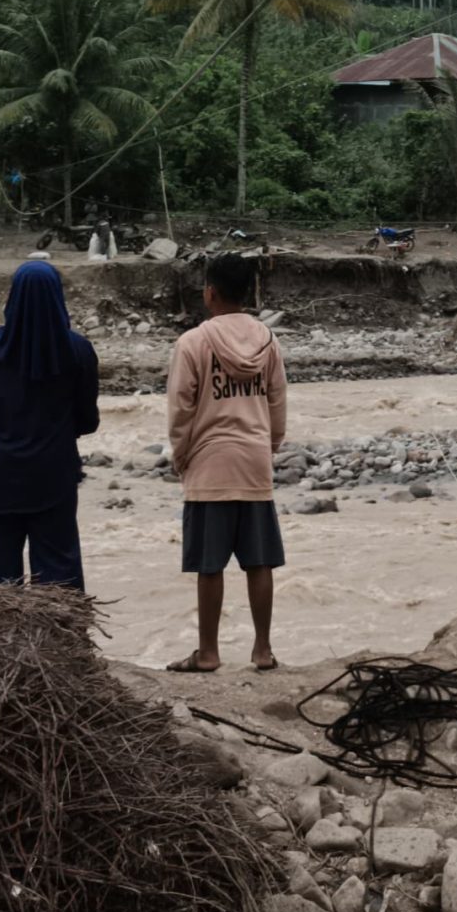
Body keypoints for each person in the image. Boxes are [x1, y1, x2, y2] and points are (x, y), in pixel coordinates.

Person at [166, 254, 290, 674]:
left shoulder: (193, 343)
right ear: (250, 293)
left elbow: (180, 409)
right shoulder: (267, 340)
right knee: (260, 561)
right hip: (254, 461)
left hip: (208, 462)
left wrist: (181, 455)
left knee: (209, 564)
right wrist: (268, 446)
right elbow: (277, 401)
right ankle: (262, 650)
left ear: (210, 292)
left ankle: (208, 652)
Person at [0, 261, 100, 589]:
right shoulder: (78, 350)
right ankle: (61, 641)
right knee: (58, 582)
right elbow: (88, 419)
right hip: (53, 477)